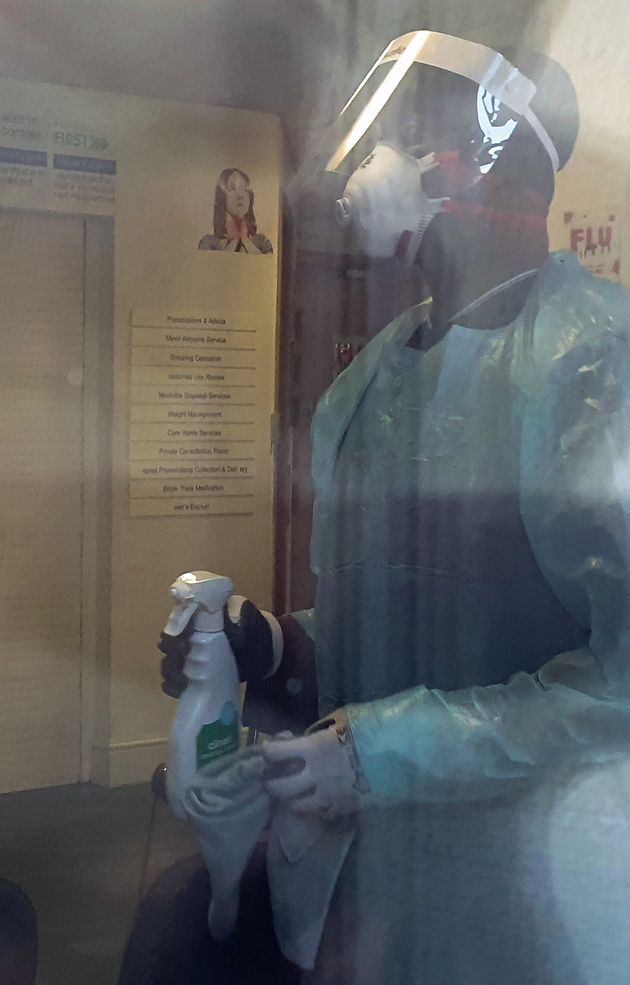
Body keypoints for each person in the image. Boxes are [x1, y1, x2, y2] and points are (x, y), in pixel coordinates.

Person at [136, 31, 630, 985]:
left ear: (505, 165)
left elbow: (618, 687)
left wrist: (380, 751)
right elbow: (401, 625)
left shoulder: (592, 363)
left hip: (539, 894)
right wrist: (275, 644)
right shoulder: (369, 383)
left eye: (416, 136)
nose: (378, 163)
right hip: (369, 882)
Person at [197, 167, 273, 254]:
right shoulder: (208, 243)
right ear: (222, 197)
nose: (240, 195)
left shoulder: (261, 242)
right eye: (232, 189)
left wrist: (246, 241)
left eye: (245, 189)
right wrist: (234, 241)